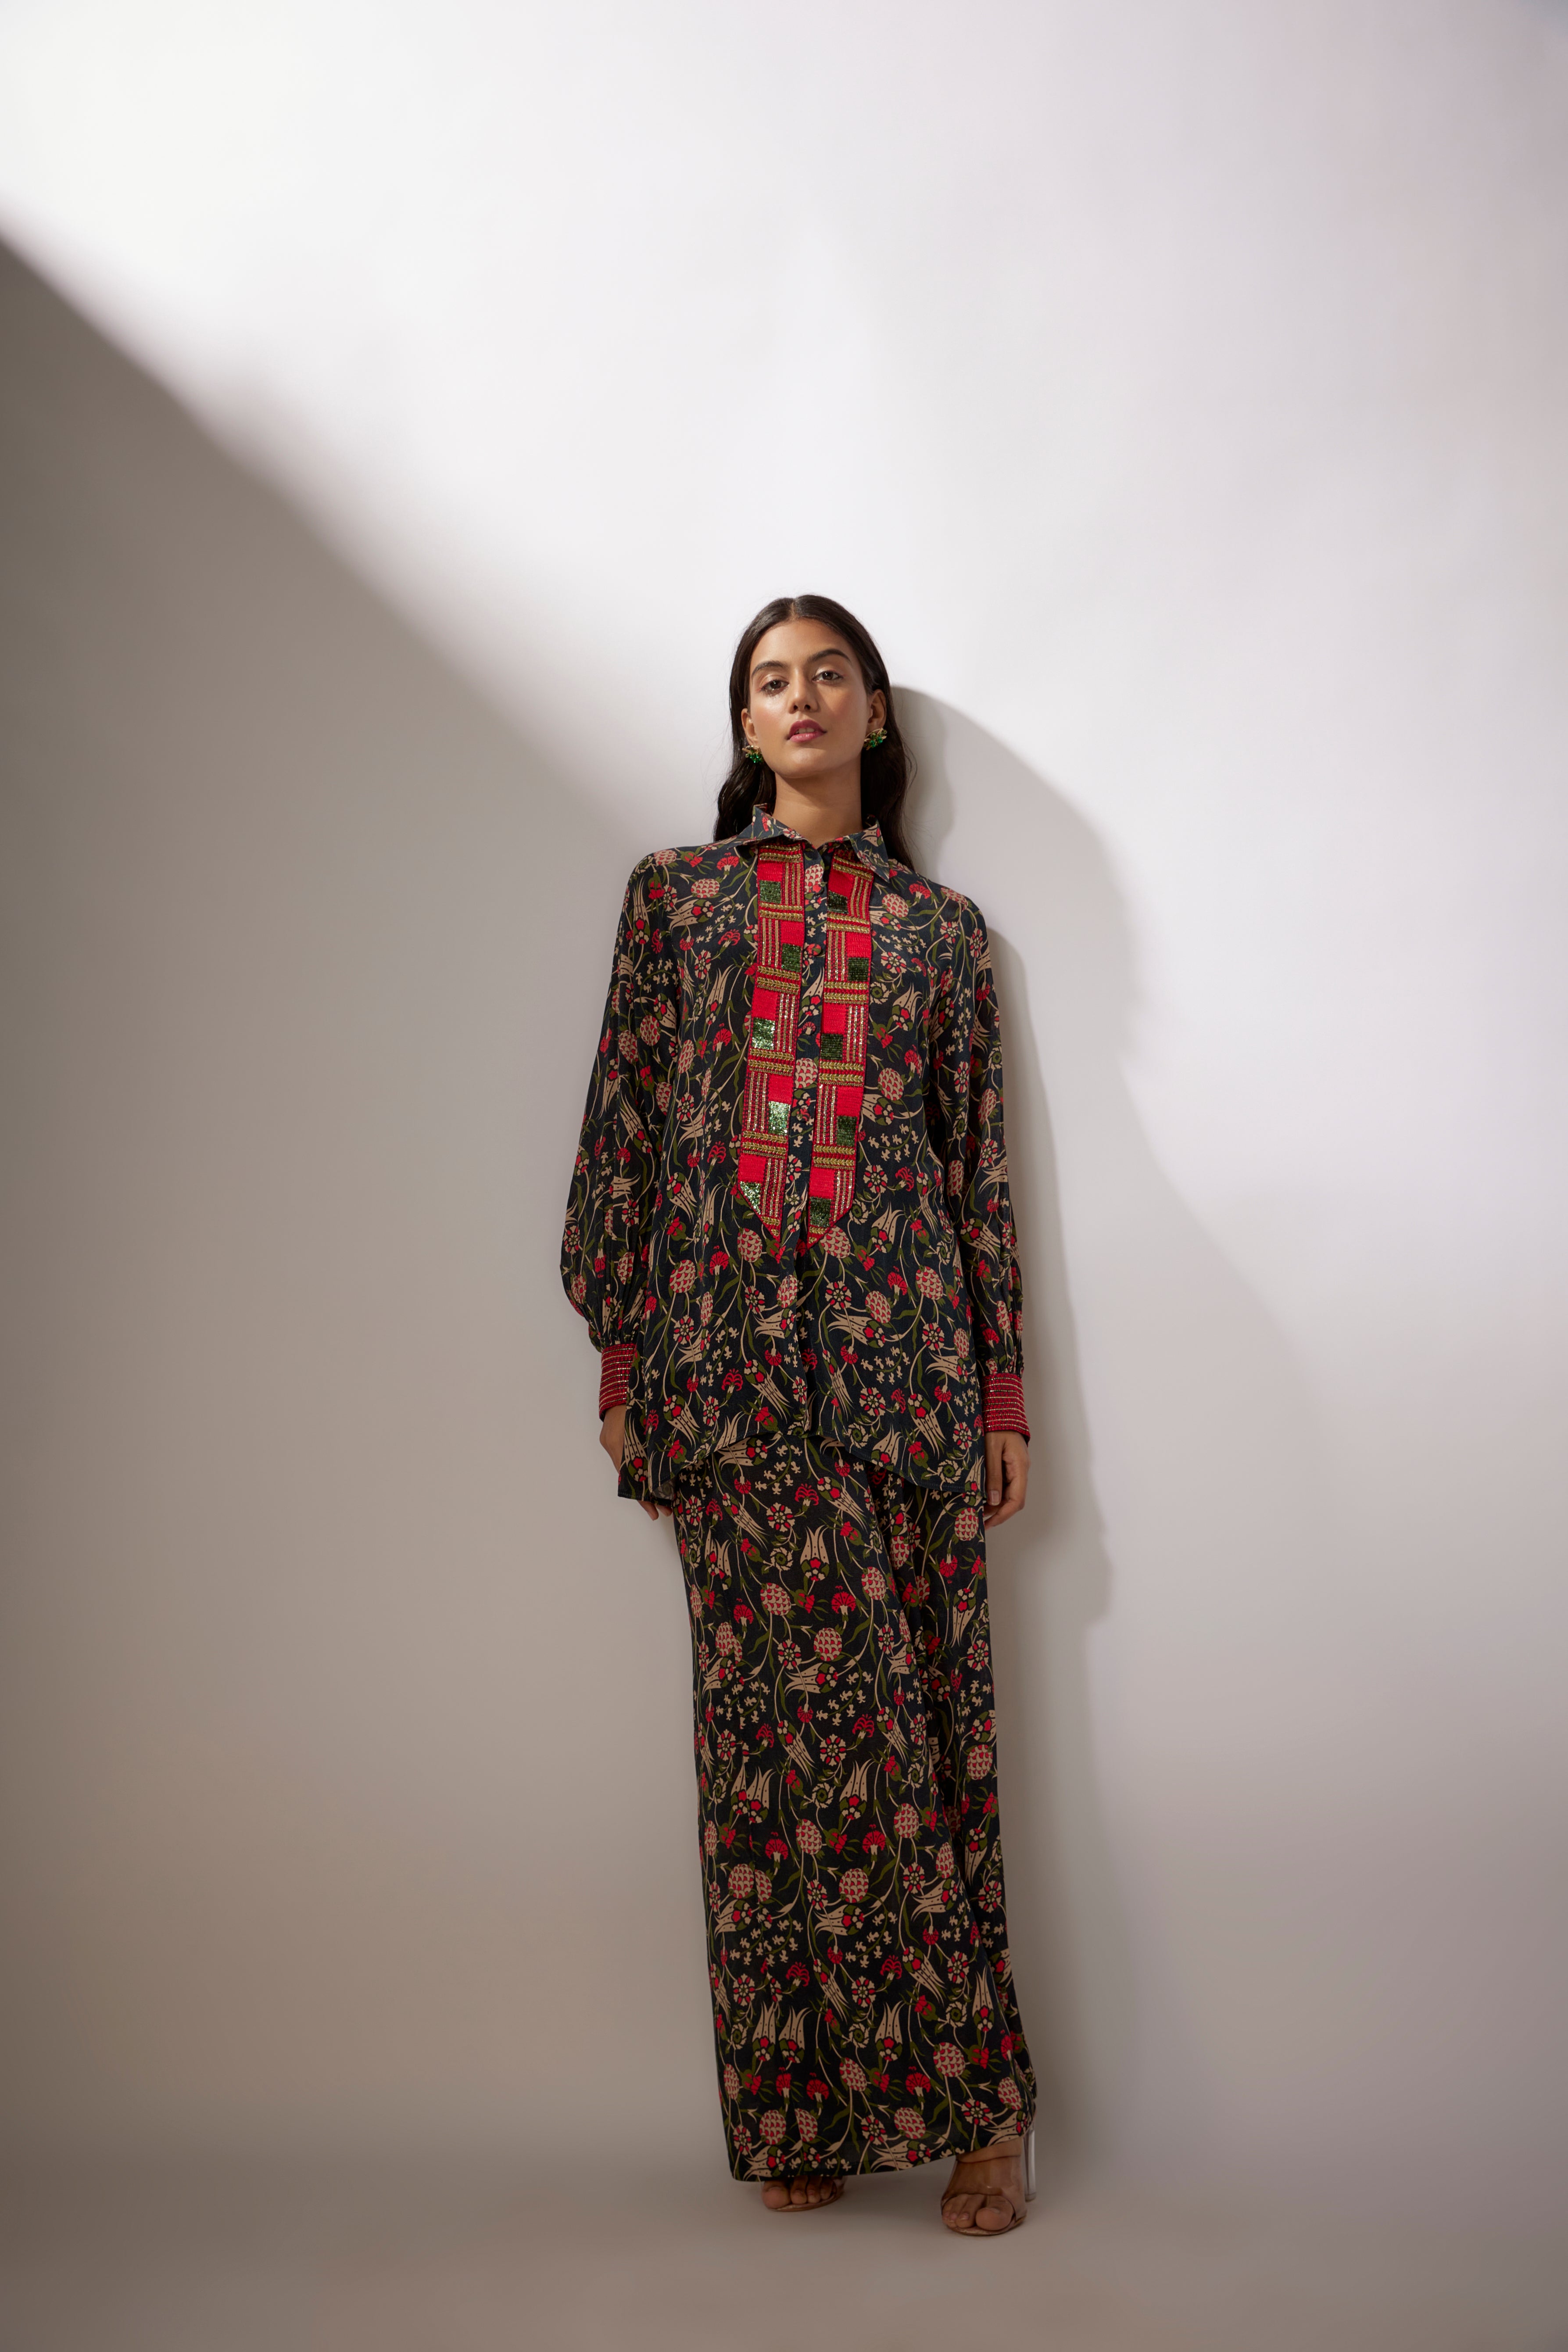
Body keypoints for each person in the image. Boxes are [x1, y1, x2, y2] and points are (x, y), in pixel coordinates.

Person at [561, 595, 1037, 2236]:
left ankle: (984, 2117)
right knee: (761, 1758)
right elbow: (624, 1137)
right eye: (772, 681)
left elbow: (975, 1171)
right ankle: (800, 2104)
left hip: (905, 1378)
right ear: (747, 725)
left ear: (875, 710)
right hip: (723, 1377)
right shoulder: (676, 902)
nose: (803, 697)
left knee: (923, 1744)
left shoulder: (943, 934)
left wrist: (1001, 1387)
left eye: (830, 672)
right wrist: (624, 1366)